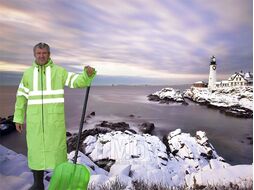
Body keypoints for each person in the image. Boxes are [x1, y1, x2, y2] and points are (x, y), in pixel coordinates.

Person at [13, 42, 96, 190]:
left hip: (54, 121)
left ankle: (59, 182)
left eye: (44, 53)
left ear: (49, 55)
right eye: (39, 53)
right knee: (35, 152)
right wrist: (18, 118)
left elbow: (76, 81)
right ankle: (38, 184)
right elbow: (21, 96)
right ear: (34, 55)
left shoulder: (59, 71)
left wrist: (86, 75)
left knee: (58, 152)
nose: (41, 55)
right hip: (35, 121)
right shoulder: (27, 74)